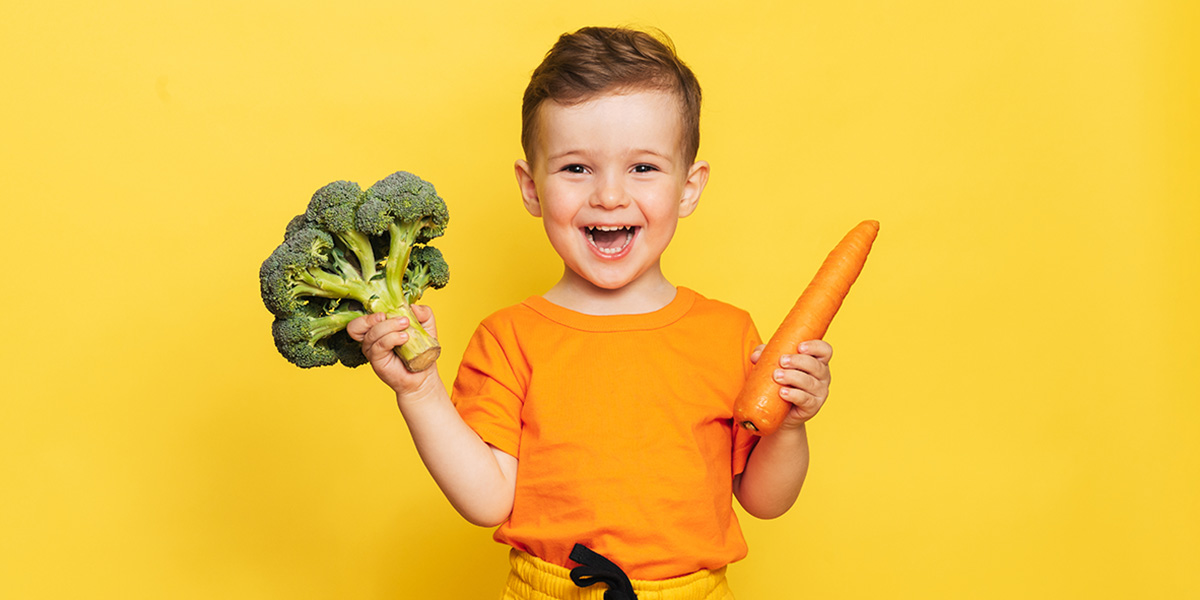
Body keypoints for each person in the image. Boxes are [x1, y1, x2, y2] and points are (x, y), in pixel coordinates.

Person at [348, 26, 833, 600]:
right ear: (531, 188)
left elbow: (764, 500)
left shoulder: (729, 334)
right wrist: (419, 391)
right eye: (577, 168)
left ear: (689, 188)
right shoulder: (509, 338)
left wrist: (792, 426)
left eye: (643, 168)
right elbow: (486, 501)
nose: (609, 196)